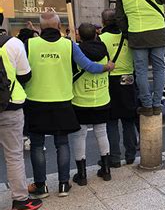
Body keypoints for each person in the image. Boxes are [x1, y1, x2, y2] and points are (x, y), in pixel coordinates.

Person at [24, 12, 115, 198]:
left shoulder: (29, 45)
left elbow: (22, 72)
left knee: (37, 145)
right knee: (62, 143)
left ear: (41, 28)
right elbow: (88, 66)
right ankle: (64, 184)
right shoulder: (69, 45)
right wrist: (105, 67)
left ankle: (41, 187)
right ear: (59, 26)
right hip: (62, 100)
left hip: (35, 101)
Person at [0, 10, 43, 210]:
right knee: (13, 155)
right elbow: (25, 75)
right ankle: (20, 201)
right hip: (9, 105)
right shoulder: (13, 44)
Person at [70, 23, 113, 186]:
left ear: (79, 36)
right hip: (102, 98)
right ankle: (106, 170)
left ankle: (81, 175)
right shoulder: (104, 49)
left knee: (80, 135)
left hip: (80, 99)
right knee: (102, 132)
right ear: (96, 34)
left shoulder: (76, 51)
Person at [100, 9, 138, 167]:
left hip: (109, 80)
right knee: (128, 119)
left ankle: (114, 158)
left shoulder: (101, 39)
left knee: (111, 121)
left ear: (103, 22)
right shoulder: (128, 37)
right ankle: (130, 155)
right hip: (128, 79)